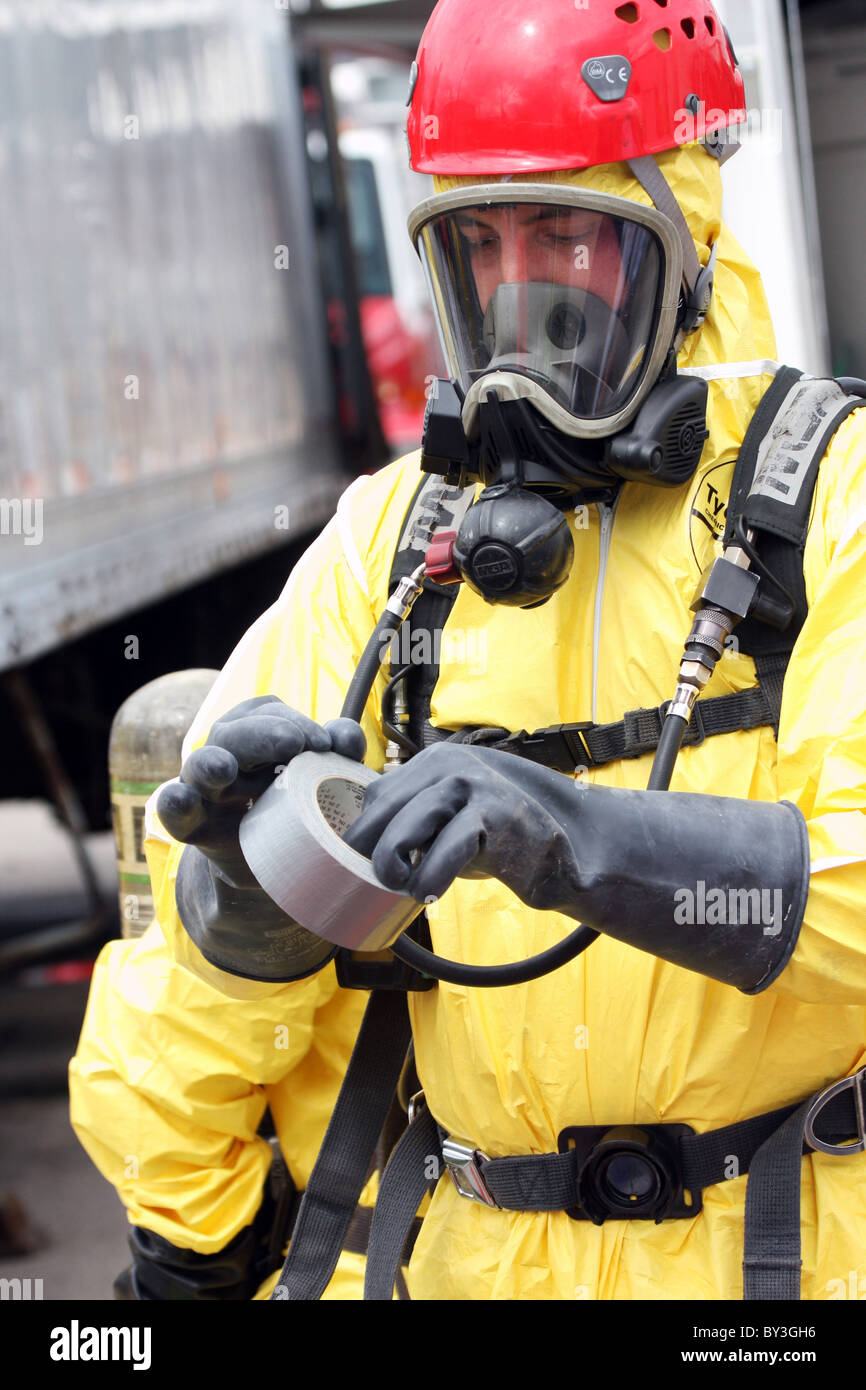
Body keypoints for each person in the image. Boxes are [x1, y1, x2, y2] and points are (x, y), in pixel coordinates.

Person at [72, 0, 866, 1301]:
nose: (518, 294)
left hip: (780, 1259)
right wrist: (243, 913)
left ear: (686, 236)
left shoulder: (825, 496)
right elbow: (186, 1044)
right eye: (476, 242)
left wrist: (572, 839)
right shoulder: (387, 545)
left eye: (568, 231)